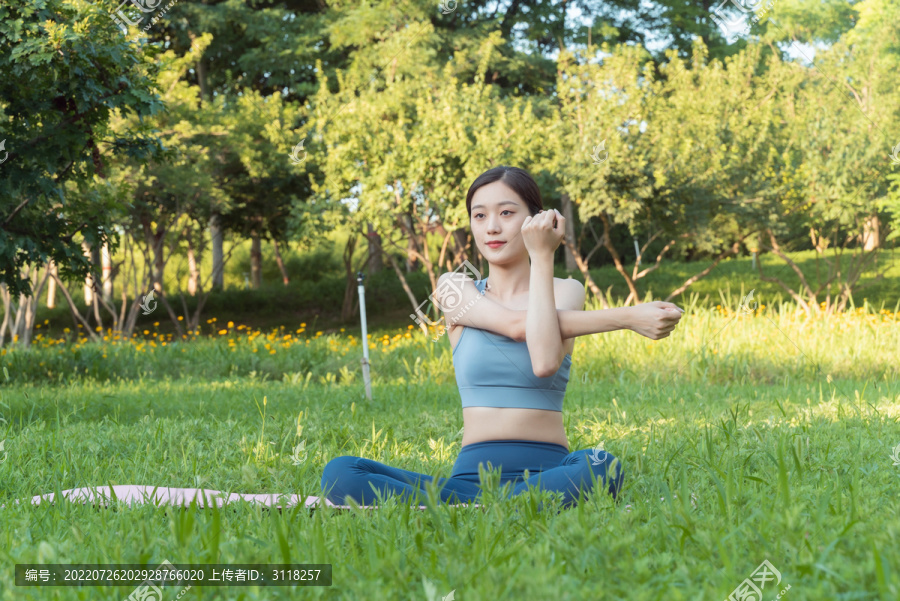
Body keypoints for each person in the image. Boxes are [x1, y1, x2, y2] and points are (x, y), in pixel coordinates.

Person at [320, 166, 684, 510]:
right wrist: (628, 317)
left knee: (602, 466)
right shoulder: (453, 288)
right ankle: (497, 506)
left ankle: (484, 509)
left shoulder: (567, 291)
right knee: (340, 472)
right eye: (479, 216)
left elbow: (543, 362)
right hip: (466, 482)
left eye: (507, 213)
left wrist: (543, 257)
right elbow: (514, 326)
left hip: (551, 474)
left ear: (536, 221)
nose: (491, 227)